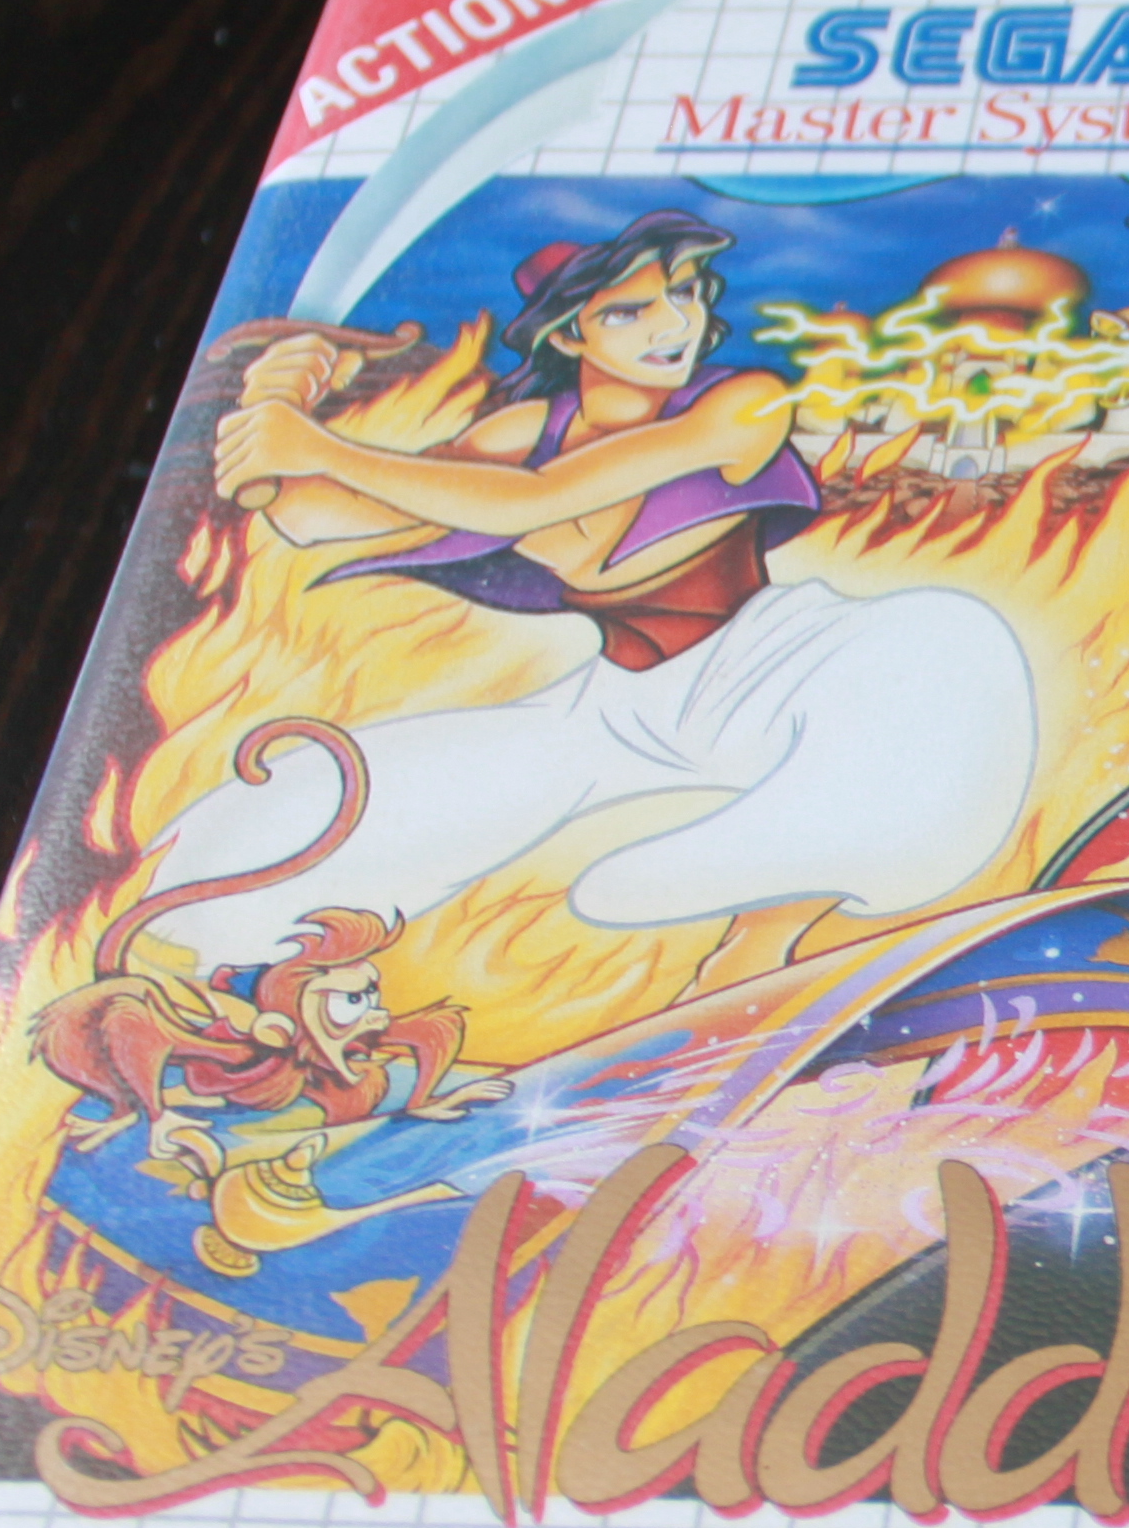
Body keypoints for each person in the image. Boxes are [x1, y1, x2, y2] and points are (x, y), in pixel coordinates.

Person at [148, 211, 1037, 981]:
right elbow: (314, 519)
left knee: (949, 640)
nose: (672, 324)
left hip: (777, 657)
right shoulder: (519, 432)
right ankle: (216, 961)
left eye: (685, 294)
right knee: (353, 799)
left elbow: (535, 501)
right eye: (627, 310)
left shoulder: (742, 404)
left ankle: (760, 935)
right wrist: (274, 410)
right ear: (570, 337)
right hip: (615, 710)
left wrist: (320, 447)